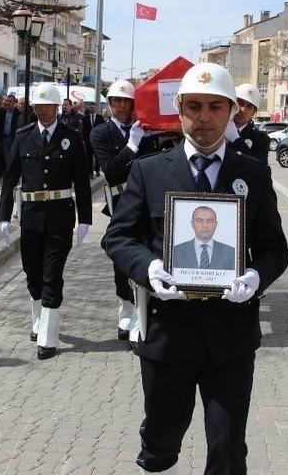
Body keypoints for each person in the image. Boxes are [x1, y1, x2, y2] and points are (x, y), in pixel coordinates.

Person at [104, 62, 288, 474]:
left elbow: (275, 249)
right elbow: (117, 238)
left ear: (231, 112)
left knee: (227, 448)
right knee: (162, 439)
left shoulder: (253, 175)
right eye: (194, 106)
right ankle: (155, 451)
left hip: (231, 336)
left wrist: (256, 277)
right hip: (168, 334)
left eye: (214, 107)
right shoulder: (149, 171)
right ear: (180, 109)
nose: (203, 116)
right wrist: (149, 268)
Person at [0, 82, 92, 360]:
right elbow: (10, 177)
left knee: (52, 276)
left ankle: (48, 338)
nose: (43, 111)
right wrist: (3, 216)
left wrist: (84, 219)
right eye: (38, 107)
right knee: (33, 274)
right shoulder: (23, 136)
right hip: (31, 217)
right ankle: (38, 320)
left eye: (47, 106)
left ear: (56, 107)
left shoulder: (71, 137)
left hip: (61, 216)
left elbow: (82, 182)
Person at [90, 79, 163, 343]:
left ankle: (139, 318)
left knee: (146, 258)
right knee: (121, 262)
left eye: (126, 101)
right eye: (116, 101)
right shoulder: (100, 133)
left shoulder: (147, 129)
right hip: (120, 203)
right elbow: (110, 172)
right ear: (109, 105)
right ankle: (126, 307)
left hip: (147, 202)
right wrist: (132, 145)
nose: (121, 106)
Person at [171, 206, 235, 270]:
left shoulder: (231, 253)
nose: (205, 225)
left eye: (210, 221)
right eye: (199, 220)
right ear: (192, 224)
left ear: (216, 224)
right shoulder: (176, 252)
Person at [223, 83, 270, 165]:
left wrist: (236, 140)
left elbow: (261, 170)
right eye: (240, 103)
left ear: (253, 112)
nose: (243, 110)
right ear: (233, 104)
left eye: (249, 106)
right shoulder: (218, 127)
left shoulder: (259, 138)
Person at [82, 101, 105, 178]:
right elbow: (83, 130)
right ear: (89, 108)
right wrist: (84, 140)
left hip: (98, 141)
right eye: (91, 107)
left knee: (98, 156)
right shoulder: (85, 118)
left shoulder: (100, 117)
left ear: (96, 108)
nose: (92, 109)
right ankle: (90, 172)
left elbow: (103, 129)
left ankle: (97, 170)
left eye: (94, 107)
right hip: (88, 141)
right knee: (89, 157)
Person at [0, 94, 21, 170]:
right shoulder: (2, 112)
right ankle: (8, 172)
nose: (8, 103)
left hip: (13, 138)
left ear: (14, 102)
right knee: (6, 157)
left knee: (14, 156)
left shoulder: (17, 113)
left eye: (10, 101)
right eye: (7, 101)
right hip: (4, 138)